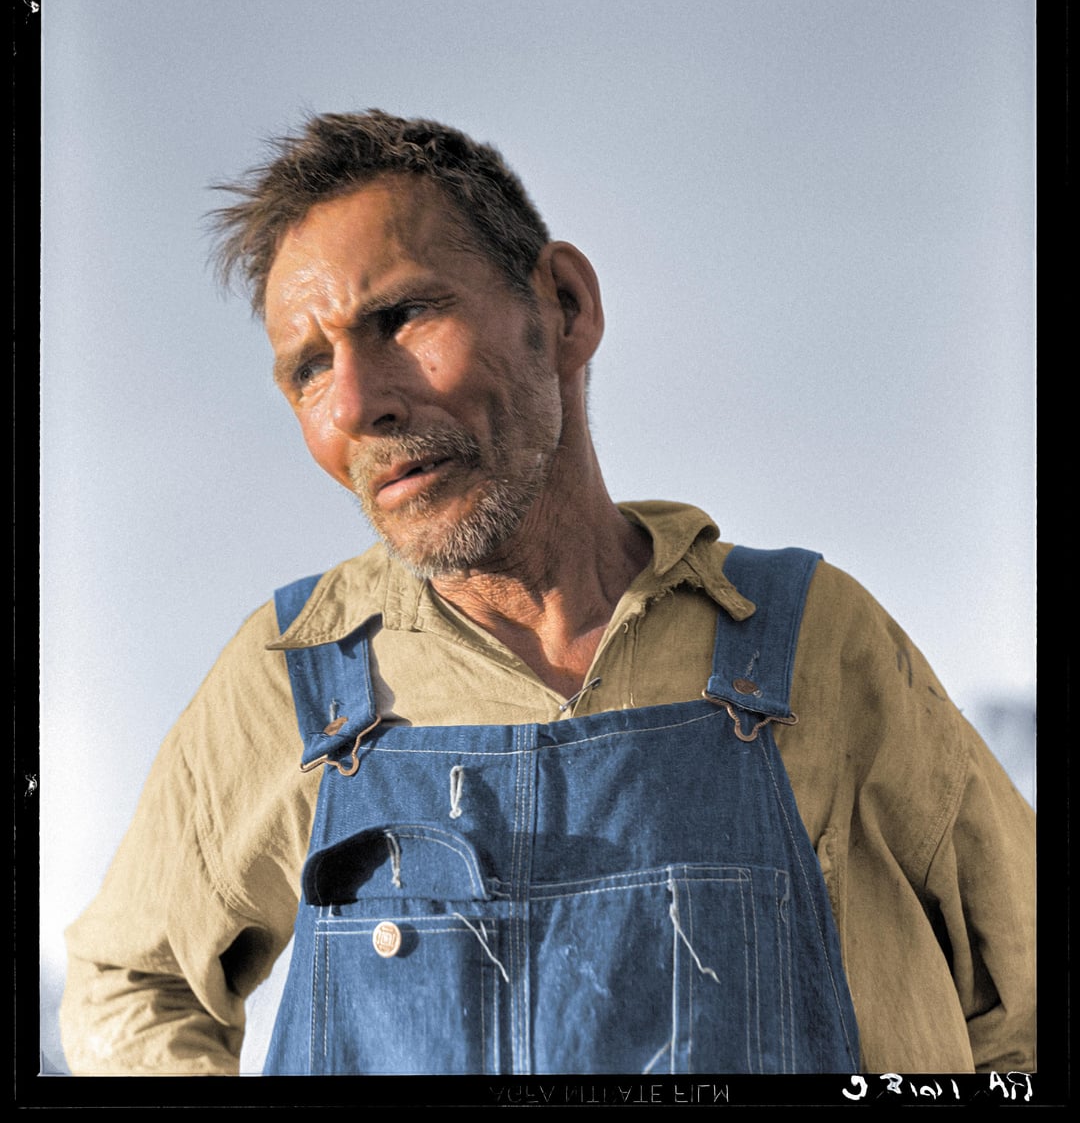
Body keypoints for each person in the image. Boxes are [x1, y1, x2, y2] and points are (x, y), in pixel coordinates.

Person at [60, 110, 1035, 1077]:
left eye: (401, 317)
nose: (356, 405)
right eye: (311, 369)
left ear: (565, 305)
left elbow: (1030, 991)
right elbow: (132, 986)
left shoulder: (812, 638)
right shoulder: (296, 675)